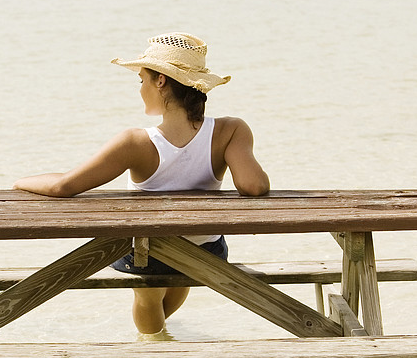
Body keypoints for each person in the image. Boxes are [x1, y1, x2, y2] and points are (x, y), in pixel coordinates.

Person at [13, 32, 269, 334]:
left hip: (146, 255)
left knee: (148, 295)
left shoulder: (134, 143)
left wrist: (20, 182)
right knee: (178, 274)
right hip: (205, 252)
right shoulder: (230, 131)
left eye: (142, 80)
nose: (141, 89)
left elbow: (64, 187)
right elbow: (254, 186)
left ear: (160, 81)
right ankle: (162, 350)